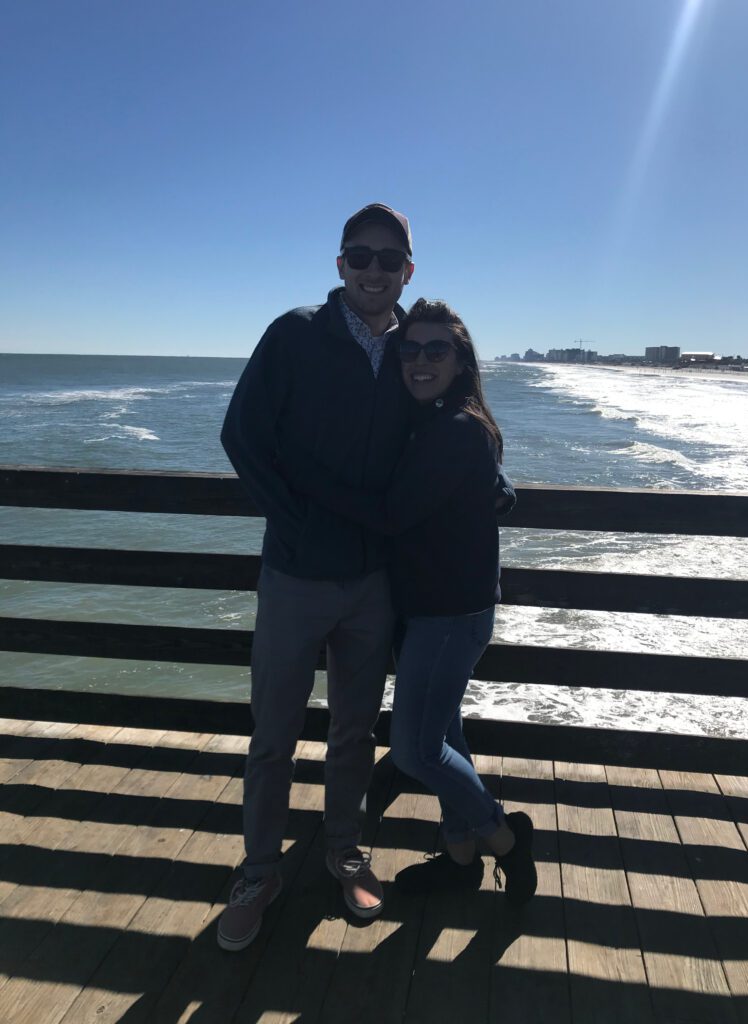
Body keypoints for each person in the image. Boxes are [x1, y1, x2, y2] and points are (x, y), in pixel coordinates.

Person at [278, 298, 538, 902]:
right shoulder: (435, 417)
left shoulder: (456, 430)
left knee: (419, 750)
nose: (420, 361)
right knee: (446, 734)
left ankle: (504, 836)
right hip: (427, 610)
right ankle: (459, 853)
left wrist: (308, 477)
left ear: (460, 360)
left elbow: (392, 513)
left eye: (436, 350)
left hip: (451, 614)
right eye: (410, 350)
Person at [217, 204, 416, 951]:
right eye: (359, 256)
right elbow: (242, 433)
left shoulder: (414, 345)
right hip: (296, 576)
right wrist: (293, 522)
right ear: (339, 264)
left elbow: (448, 420)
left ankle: (343, 846)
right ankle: (259, 868)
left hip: (372, 580)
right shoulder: (295, 333)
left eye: (388, 259)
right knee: (273, 734)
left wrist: (481, 476)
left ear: (407, 269)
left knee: (354, 729)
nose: (373, 270)